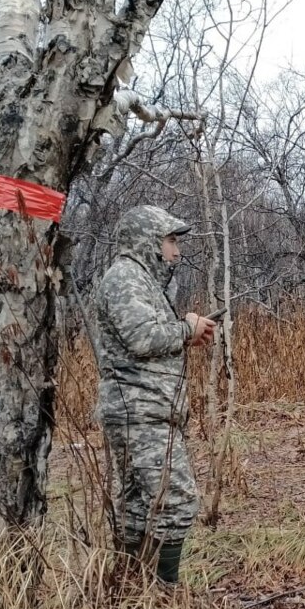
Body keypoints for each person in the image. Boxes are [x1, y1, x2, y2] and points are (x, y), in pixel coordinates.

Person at [96, 205, 216, 584]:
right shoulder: (125, 278)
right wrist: (185, 329)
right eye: (170, 240)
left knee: (137, 508)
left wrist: (187, 335)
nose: (176, 250)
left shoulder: (143, 280)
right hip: (140, 412)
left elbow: (145, 339)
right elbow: (141, 336)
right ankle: (166, 594)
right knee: (178, 501)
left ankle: (132, 592)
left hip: (144, 410)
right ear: (149, 242)